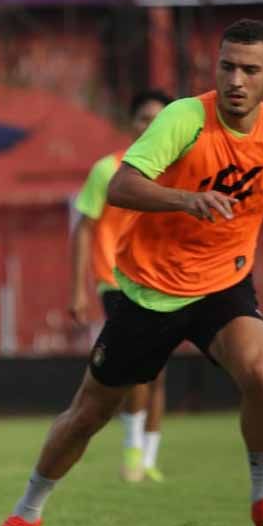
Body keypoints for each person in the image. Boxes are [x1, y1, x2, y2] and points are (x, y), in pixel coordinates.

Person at [0, 19, 263, 526]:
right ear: (216, 67)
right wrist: (186, 199)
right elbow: (123, 186)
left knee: (261, 373)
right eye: (227, 67)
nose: (236, 80)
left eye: (250, 70)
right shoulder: (184, 118)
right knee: (88, 414)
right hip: (148, 291)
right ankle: (23, 515)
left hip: (223, 284)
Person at [70, 89, 174, 483]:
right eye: (143, 118)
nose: (149, 126)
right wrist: (78, 290)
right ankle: (132, 452)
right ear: (130, 124)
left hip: (166, 279)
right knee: (136, 368)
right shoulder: (108, 170)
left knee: (158, 371)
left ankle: (148, 458)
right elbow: (84, 229)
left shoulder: (177, 169)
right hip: (117, 280)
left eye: (157, 119)